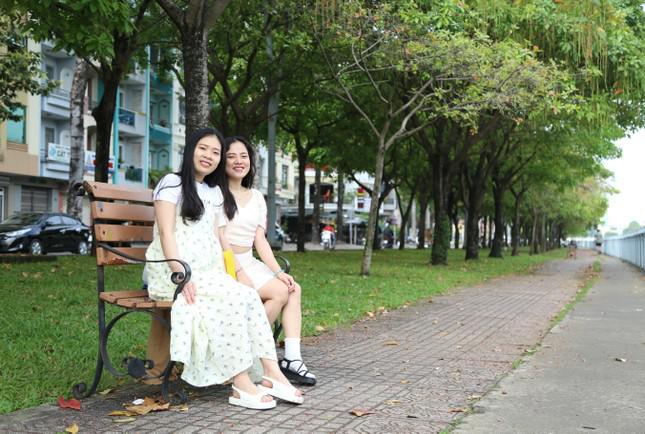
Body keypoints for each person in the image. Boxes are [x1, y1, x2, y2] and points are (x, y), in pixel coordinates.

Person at [144, 128, 303, 409]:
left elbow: (223, 241)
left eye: (215, 152)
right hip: (175, 271)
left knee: (247, 295)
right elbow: (166, 234)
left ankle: (271, 373)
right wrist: (180, 273)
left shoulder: (214, 192)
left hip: (209, 271)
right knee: (229, 300)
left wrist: (239, 274)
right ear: (191, 149)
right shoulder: (171, 183)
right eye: (204, 149)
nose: (209, 156)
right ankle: (240, 383)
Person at [218, 136, 316, 386]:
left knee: (292, 288)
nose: (238, 161)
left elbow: (260, 241)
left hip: (248, 261)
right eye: (231, 156)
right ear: (222, 161)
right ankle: (250, 353)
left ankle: (292, 359)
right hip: (224, 262)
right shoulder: (216, 194)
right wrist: (238, 271)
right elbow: (218, 239)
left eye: (244, 156)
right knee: (278, 294)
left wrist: (277, 271)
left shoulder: (257, 197)